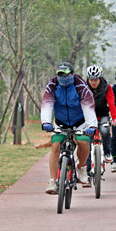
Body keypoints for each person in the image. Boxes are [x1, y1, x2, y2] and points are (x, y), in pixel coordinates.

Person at [41, 62, 97, 194]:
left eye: (66, 75)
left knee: (83, 143)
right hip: (60, 122)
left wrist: (91, 125)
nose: (62, 78)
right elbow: (47, 104)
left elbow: (88, 106)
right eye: (60, 75)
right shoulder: (53, 85)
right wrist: (46, 122)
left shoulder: (80, 86)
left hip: (80, 121)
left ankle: (81, 168)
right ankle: (53, 182)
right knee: (55, 147)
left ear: (72, 74)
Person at [85, 65, 116, 165]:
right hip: (88, 117)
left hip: (102, 115)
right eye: (91, 80)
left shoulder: (107, 87)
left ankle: (108, 153)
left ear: (100, 78)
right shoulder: (84, 88)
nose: (93, 82)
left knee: (105, 131)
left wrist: (115, 118)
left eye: (96, 79)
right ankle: (86, 166)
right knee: (87, 138)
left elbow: (111, 103)